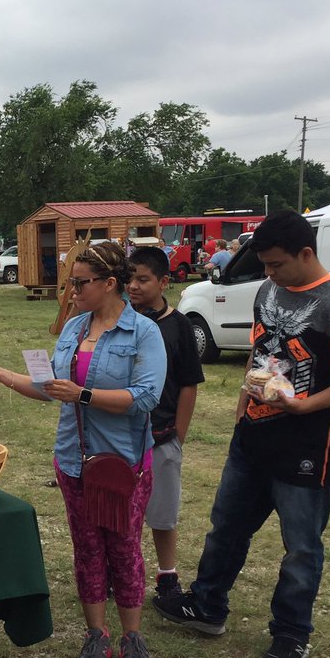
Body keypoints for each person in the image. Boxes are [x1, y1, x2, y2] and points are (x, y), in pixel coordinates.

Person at [155, 210, 330, 658]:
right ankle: (207, 606)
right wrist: (244, 398)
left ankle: (291, 633)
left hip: (306, 450)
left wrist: (304, 405)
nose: (270, 274)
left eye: (277, 264)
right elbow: (262, 348)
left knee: (300, 547)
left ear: (306, 253)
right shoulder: (268, 289)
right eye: (265, 267)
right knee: (227, 527)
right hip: (253, 437)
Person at [0, 242, 166, 658]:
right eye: (71, 281)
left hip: (123, 464)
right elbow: (48, 387)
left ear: (110, 284)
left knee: (125, 549)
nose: (71, 290)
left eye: (79, 282)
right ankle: (97, 635)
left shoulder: (143, 333)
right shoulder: (73, 329)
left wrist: (85, 395)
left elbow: (147, 396)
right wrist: (3, 376)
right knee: (88, 549)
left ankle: (132, 638)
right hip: (74, 461)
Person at [127, 247, 204, 604]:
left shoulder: (178, 326)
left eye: (143, 279)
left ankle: (167, 575)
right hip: (122, 437)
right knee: (120, 514)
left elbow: (189, 383)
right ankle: (121, 570)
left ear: (163, 282)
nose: (134, 286)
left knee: (162, 513)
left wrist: (179, 436)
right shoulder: (120, 321)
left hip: (162, 437)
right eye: (129, 279)